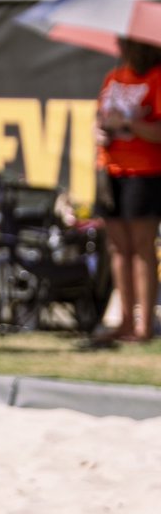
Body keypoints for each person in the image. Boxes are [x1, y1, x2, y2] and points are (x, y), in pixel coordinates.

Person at [95, 39, 161, 342]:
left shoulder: (156, 77)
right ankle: (123, 321)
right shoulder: (113, 76)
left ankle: (143, 326)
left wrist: (130, 124)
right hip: (110, 169)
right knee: (118, 249)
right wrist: (101, 129)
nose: (121, 48)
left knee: (142, 249)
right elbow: (101, 117)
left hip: (144, 172)